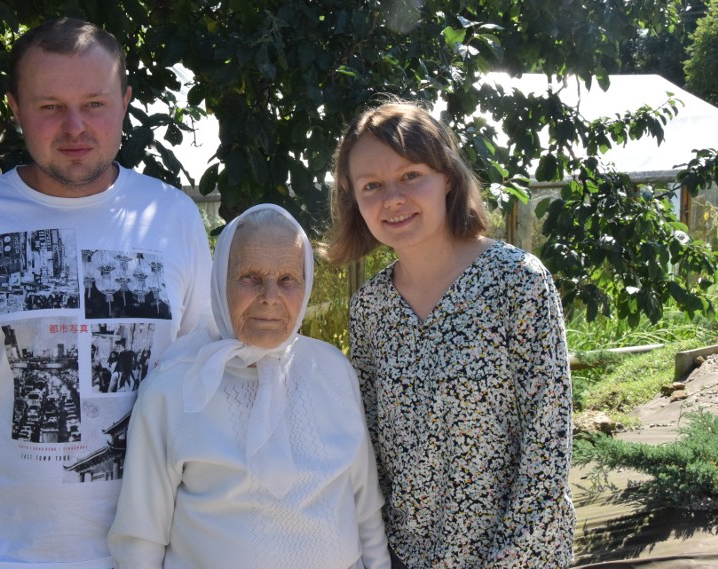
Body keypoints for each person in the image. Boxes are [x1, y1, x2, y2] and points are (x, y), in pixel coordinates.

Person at [0, 17, 212, 569]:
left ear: (124, 102)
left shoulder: (172, 218)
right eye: (50, 106)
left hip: (154, 556)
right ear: (15, 108)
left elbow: (207, 393)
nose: (75, 126)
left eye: (95, 103)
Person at [325, 101, 576, 568]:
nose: (392, 198)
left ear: (448, 178)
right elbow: (369, 452)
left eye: (411, 175)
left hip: (516, 557)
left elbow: (548, 442)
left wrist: (510, 559)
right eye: (372, 186)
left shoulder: (516, 281)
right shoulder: (370, 309)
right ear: (354, 200)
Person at [108, 204, 391, 569]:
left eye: (288, 279)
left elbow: (365, 508)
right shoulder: (174, 388)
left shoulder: (332, 370)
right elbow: (139, 540)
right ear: (220, 282)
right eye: (250, 278)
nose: (270, 296)